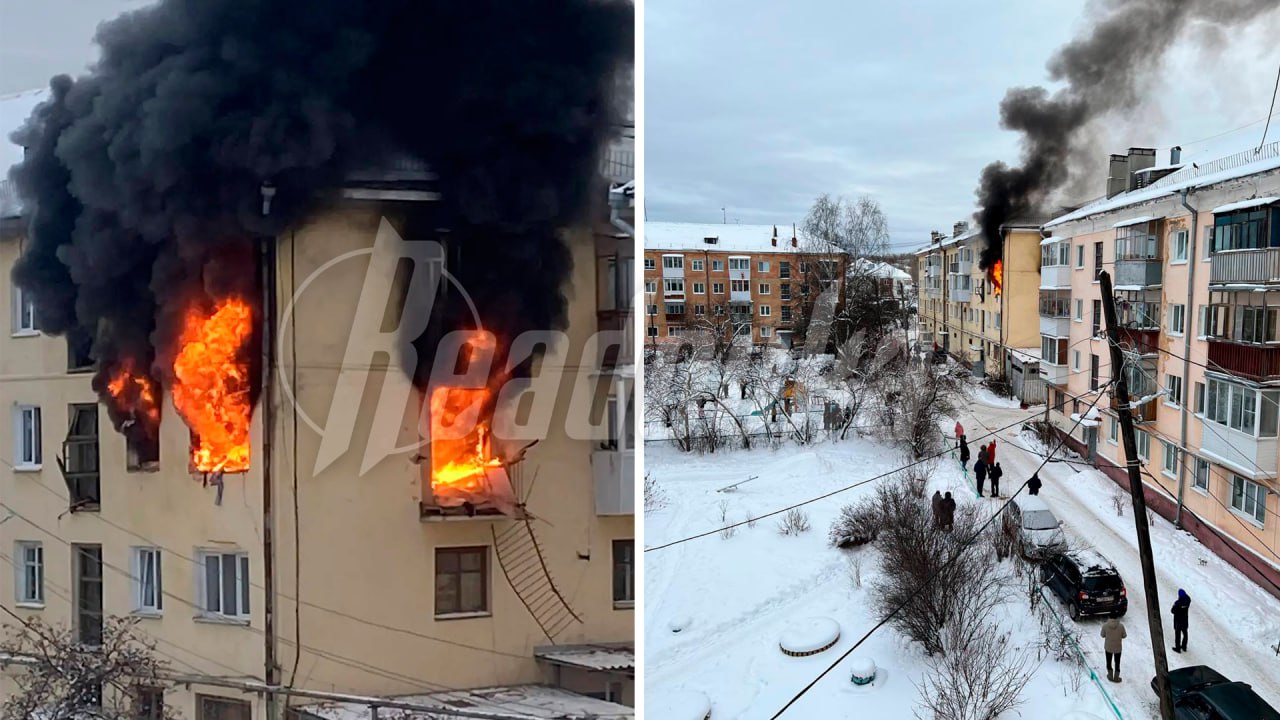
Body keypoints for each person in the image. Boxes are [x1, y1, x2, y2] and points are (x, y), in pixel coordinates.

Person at [1101, 611, 1127, 682]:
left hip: (1108, 647)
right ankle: (1116, 677)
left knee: (1108, 662)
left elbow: (1102, 635)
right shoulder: (1121, 626)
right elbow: (1124, 636)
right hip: (1118, 648)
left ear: (1109, 617)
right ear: (1117, 618)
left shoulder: (1105, 625)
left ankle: (1110, 675)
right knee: (1117, 662)